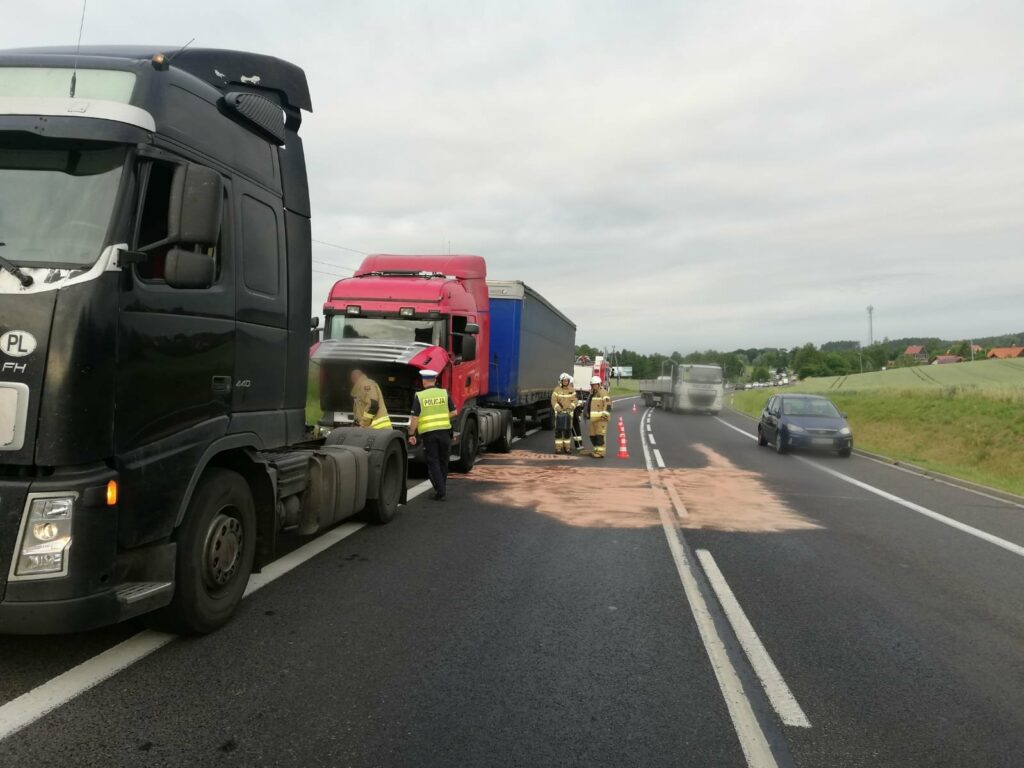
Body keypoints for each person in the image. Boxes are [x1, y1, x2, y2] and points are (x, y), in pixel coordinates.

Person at [407, 369, 457, 500]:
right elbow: (454, 412)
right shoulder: (444, 393)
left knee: (433, 462)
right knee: (443, 461)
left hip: (429, 434)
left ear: (424, 381)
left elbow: (415, 418)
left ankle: (440, 491)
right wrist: (441, 418)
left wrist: (411, 434)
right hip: (445, 432)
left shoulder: (419, 396)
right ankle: (442, 488)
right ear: (435, 380)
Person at [550, 372, 578, 454]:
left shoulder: (572, 390)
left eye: (567, 381)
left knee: (567, 432)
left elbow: (575, 400)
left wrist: (571, 407)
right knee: (558, 431)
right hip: (559, 414)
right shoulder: (557, 390)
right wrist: (558, 408)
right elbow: (553, 400)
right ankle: (558, 448)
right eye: (564, 381)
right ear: (561, 381)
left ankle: (567, 448)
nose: (565, 382)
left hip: (569, 414)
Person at [586, 375, 612, 458]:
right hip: (593, 419)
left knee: (600, 436)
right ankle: (596, 450)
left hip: (601, 419)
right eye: (592, 385)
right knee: (592, 435)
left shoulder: (603, 392)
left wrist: (604, 415)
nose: (594, 386)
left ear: (599, 384)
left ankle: (600, 453)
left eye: (595, 384)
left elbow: (608, 404)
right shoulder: (593, 394)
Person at [570, 376, 586, 453]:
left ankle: (579, 445)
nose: (572, 385)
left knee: (577, 430)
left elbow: (578, 403)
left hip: (575, 414)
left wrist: (579, 411)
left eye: (572, 384)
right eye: (571, 383)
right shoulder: (566, 392)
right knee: (567, 430)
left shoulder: (573, 392)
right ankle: (565, 446)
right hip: (568, 414)